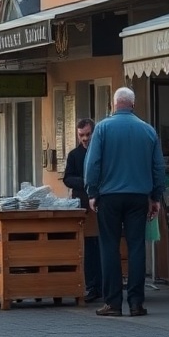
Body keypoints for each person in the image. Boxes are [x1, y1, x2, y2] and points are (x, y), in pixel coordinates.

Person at [84, 87, 165, 318]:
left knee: (109, 247)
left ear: (114, 103)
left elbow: (93, 164)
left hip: (109, 197)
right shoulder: (148, 130)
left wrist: (93, 192)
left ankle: (113, 303)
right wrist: (155, 197)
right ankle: (137, 303)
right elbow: (158, 167)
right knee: (137, 247)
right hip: (139, 196)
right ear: (133, 104)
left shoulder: (103, 128)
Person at [63, 117, 102, 303]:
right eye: (81, 135)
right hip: (83, 207)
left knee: (102, 247)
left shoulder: (102, 151)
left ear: (93, 132)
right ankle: (92, 286)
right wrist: (85, 182)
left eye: (87, 134)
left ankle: (103, 285)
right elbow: (67, 178)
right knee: (89, 249)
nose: (84, 139)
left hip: (101, 206)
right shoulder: (74, 155)